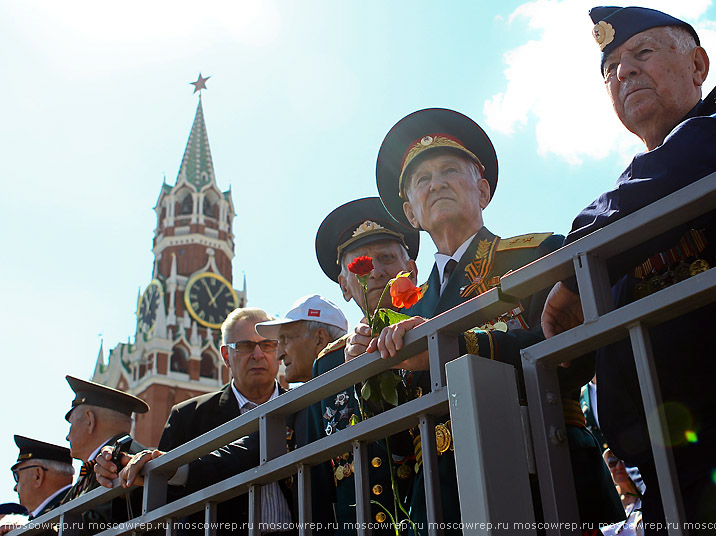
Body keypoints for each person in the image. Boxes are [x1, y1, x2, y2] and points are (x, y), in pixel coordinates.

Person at [542, 6, 716, 530]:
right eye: (611, 69)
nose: (625, 73)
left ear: (698, 65)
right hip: (665, 478)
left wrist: (573, 274)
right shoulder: (618, 213)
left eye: (643, 53)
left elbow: (674, 173)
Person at [356, 107, 622, 532]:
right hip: (443, 501)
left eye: (449, 170)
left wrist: (451, 348)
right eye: (422, 179)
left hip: (543, 474)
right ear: (411, 215)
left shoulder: (537, 254)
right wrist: (369, 371)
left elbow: (573, 359)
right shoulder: (402, 305)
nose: (437, 183)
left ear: (482, 190)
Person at [311, 196, 420, 532]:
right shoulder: (328, 364)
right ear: (345, 285)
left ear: (411, 271)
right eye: (361, 263)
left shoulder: (432, 328)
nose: (375, 272)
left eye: (387, 258)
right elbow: (317, 474)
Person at [157, 307, 294, 535]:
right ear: (226, 356)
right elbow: (163, 498)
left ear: (279, 351)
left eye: (267, 345)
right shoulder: (190, 417)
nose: (258, 355)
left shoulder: (302, 406)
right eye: (245, 346)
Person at [62, 375, 149, 533]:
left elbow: (99, 525)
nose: (67, 436)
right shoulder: (95, 467)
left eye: (71, 425)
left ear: (90, 420)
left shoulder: (121, 460)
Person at [11, 435, 74, 520]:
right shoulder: (74, 504)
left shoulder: (72, 508)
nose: (15, 488)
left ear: (38, 476)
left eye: (17, 477)